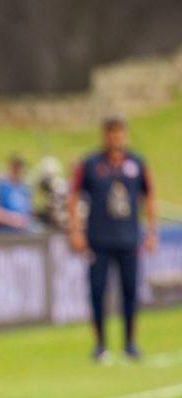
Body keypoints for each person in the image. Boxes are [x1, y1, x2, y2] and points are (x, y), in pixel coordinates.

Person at [68, 117, 159, 363]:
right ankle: (100, 345)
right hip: (98, 240)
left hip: (129, 239)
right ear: (104, 136)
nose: (115, 139)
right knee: (97, 291)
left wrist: (152, 232)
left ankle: (130, 343)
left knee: (130, 291)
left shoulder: (137, 164)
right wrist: (75, 230)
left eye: (119, 134)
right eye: (111, 134)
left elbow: (149, 197)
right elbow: (73, 195)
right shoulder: (91, 164)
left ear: (125, 136)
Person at [0, 156, 35, 233]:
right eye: (15, 168)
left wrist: (25, 221)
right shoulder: (1, 186)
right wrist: (13, 220)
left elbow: (29, 212)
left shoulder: (26, 188)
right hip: (3, 232)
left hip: (23, 232)